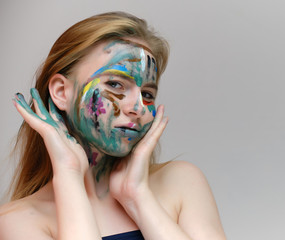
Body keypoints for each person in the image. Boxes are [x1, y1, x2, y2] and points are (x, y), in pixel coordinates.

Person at [0, 12, 226, 240]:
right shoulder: (17, 221)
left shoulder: (181, 183)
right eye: (115, 84)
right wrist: (69, 174)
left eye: (147, 93)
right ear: (61, 92)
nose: (138, 107)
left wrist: (138, 198)